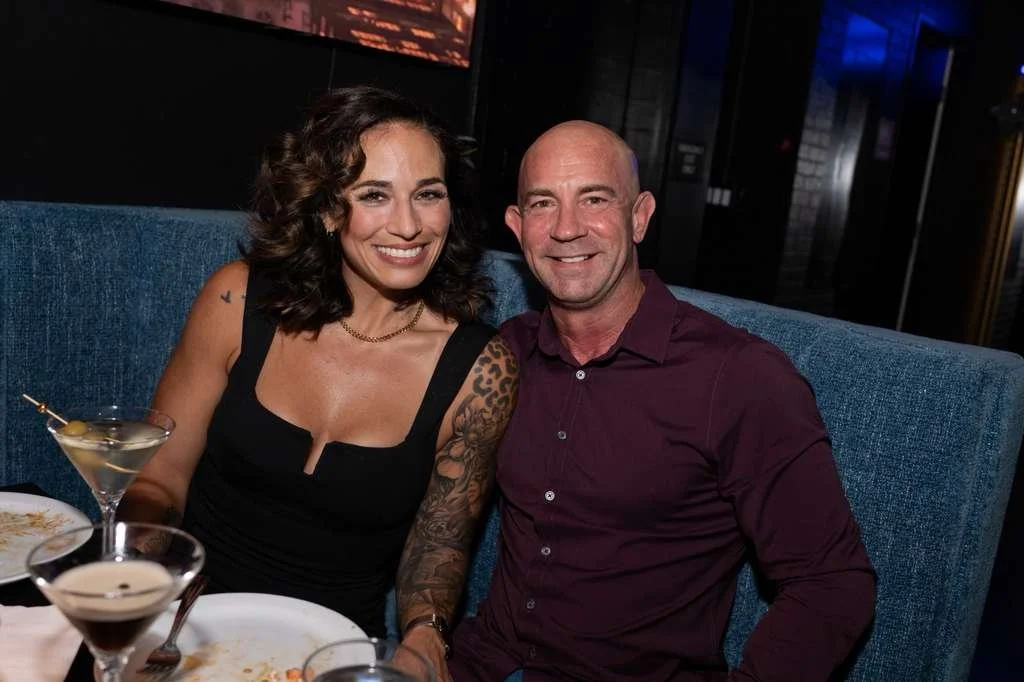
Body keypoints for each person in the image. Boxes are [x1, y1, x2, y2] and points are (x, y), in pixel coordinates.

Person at [448, 121, 876, 681]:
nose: (567, 228)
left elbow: (833, 584)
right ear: (518, 225)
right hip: (478, 663)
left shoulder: (739, 377)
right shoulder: (504, 356)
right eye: (543, 204)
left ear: (639, 216)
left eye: (595, 199)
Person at [120, 86, 519, 678]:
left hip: (332, 652)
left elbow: (438, 544)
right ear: (330, 209)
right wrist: (143, 584)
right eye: (374, 195)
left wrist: (427, 636)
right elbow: (160, 475)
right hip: (187, 625)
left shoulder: (482, 370)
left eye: (427, 195)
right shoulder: (236, 300)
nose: (408, 226)